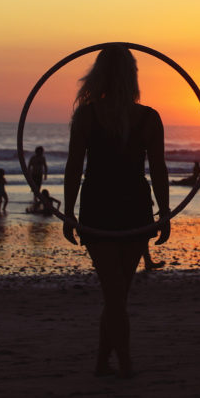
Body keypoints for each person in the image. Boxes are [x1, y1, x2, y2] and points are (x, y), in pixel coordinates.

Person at [63, 45, 170, 378]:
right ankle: (123, 364)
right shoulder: (147, 117)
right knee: (115, 293)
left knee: (116, 293)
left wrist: (69, 210)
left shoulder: (88, 115)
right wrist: (164, 210)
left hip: (104, 208)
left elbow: (73, 168)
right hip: (128, 208)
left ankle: (103, 363)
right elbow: (159, 170)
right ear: (132, 75)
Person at [28, 146, 48, 211]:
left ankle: (35, 197)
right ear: (36, 151)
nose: (40, 153)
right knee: (34, 187)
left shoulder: (42, 158)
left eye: (41, 152)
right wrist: (28, 174)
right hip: (33, 174)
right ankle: (35, 197)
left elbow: (45, 166)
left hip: (40, 174)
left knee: (38, 186)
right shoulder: (33, 158)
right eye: (39, 151)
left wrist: (45, 175)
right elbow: (29, 166)